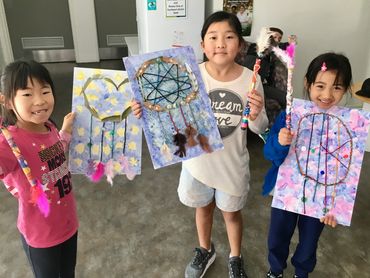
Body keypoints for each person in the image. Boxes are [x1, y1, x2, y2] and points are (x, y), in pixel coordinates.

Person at [262, 52, 352, 278]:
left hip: (320, 200)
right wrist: (280, 142)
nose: (327, 94)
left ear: (346, 89)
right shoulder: (290, 116)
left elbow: (346, 169)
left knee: (310, 241)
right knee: (277, 236)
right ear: (307, 84)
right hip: (286, 191)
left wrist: (337, 205)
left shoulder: (348, 126)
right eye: (320, 86)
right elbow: (269, 153)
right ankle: (275, 270)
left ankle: (301, 273)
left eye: (337, 87)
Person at [0, 60, 78, 278]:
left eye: (45, 91)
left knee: (68, 273)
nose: (40, 101)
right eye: (27, 94)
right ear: (6, 102)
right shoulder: (9, 143)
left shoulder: (49, 126)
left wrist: (65, 132)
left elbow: (53, 154)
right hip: (41, 235)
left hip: (68, 223)